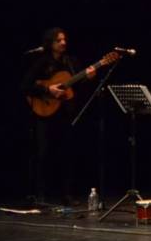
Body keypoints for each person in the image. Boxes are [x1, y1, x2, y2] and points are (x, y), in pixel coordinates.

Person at [21, 28, 96, 205]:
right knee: (43, 153)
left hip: (65, 114)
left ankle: (67, 195)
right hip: (44, 113)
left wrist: (88, 77)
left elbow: (77, 85)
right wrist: (48, 89)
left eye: (64, 39)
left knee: (67, 154)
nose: (63, 42)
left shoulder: (71, 62)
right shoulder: (40, 61)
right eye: (58, 40)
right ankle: (41, 195)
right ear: (50, 43)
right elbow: (25, 85)